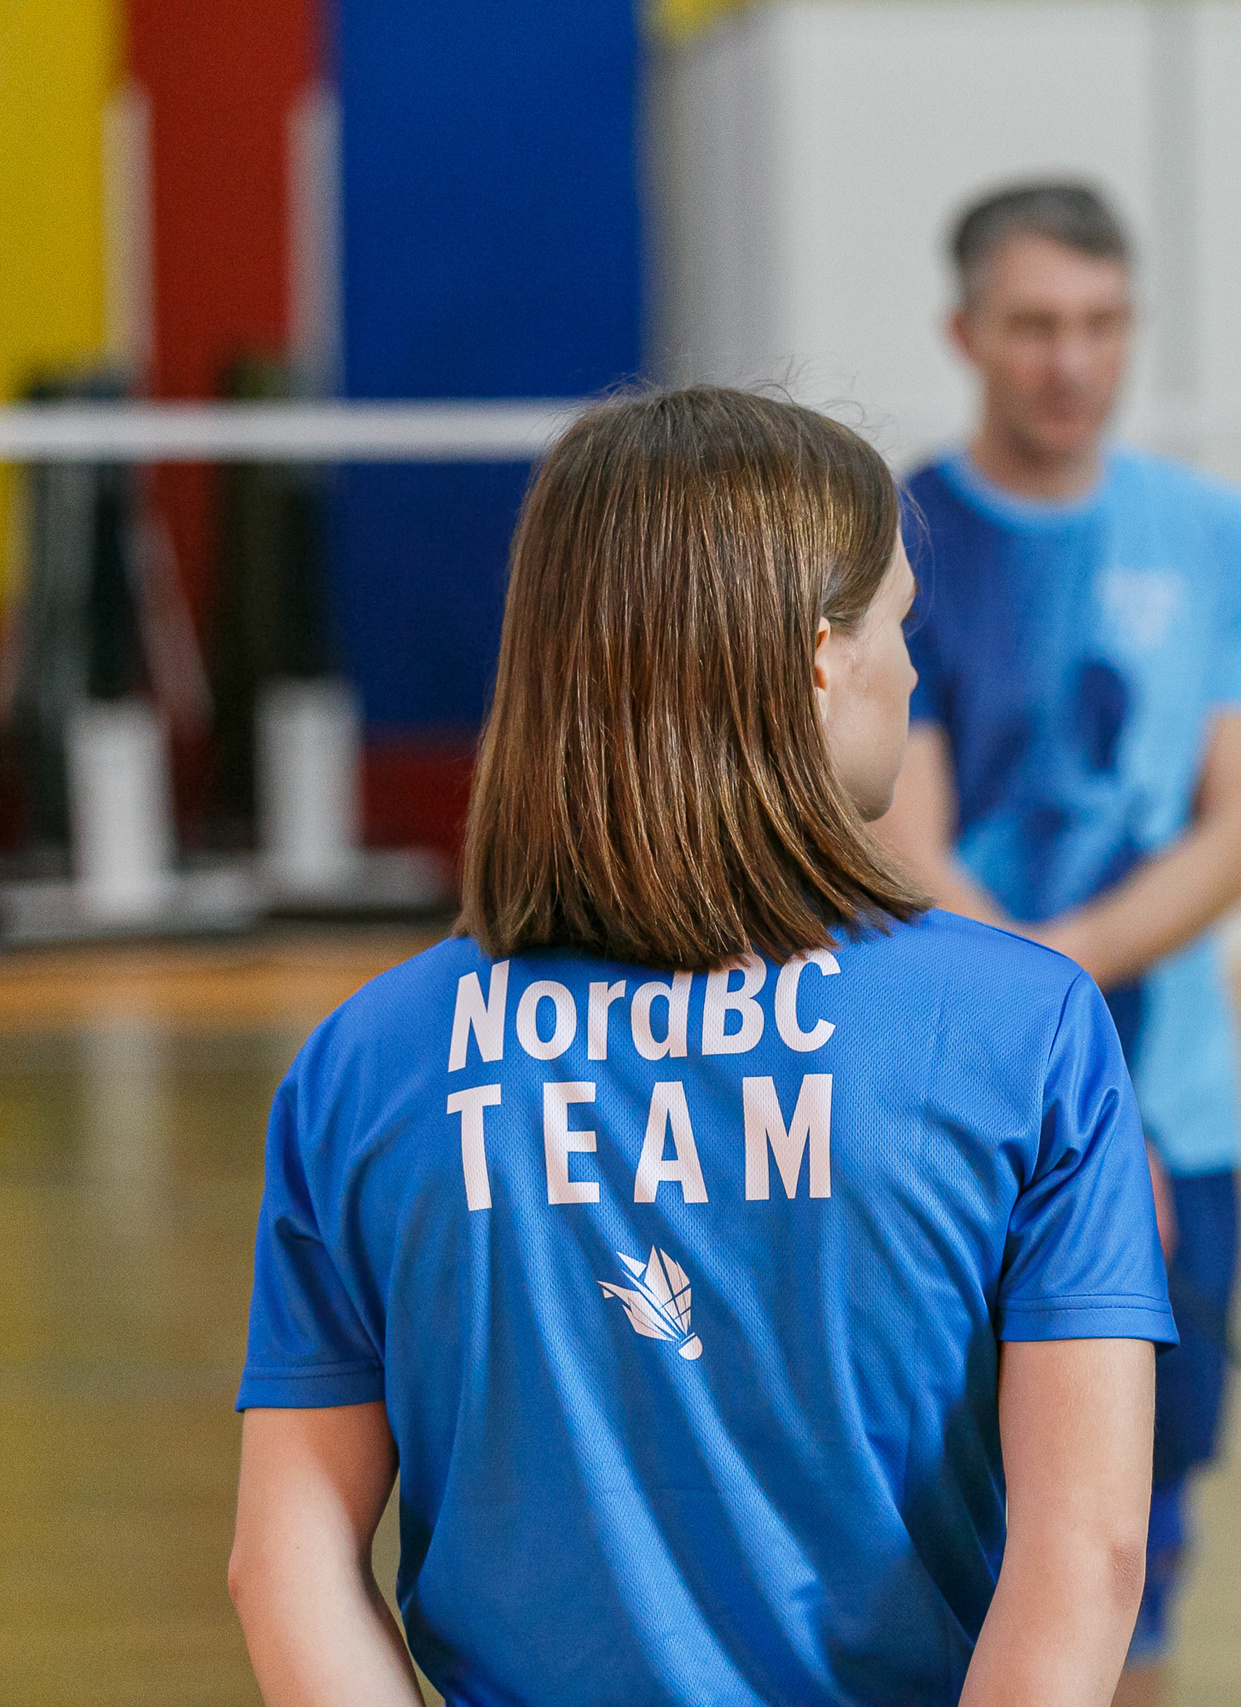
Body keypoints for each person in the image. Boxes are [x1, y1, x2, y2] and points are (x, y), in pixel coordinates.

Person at [225, 387, 1169, 1707]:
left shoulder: (364, 1063)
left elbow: (292, 1553)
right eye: (898, 617)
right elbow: (1088, 1546)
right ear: (822, 658)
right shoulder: (1023, 1029)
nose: (913, 665)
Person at [879, 180, 1241, 1705]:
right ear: (965, 333)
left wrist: (1115, 1115)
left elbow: (1236, 832)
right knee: (971, 1536)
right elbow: (899, 847)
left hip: (1177, 1120)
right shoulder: (894, 534)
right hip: (951, 1124)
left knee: (1135, 1547)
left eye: (1102, 324)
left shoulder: (1216, 538)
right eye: (1036, 325)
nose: (1071, 360)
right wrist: (1061, 1064)